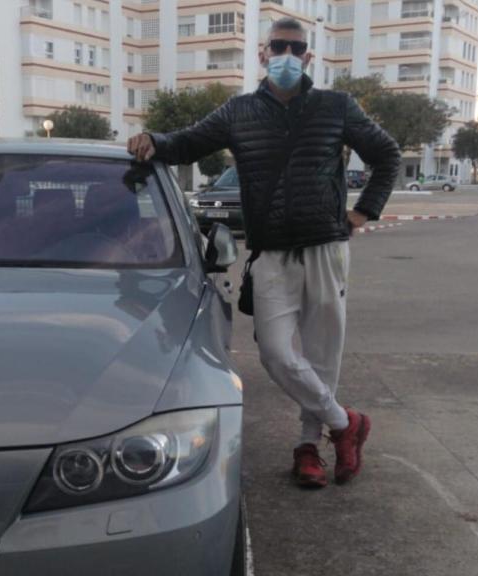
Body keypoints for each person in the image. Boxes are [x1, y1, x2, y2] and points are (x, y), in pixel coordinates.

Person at [129, 17, 400, 488]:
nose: (287, 56)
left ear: (309, 56)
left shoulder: (336, 106)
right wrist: (154, 140)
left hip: (326, 248)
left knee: (322, 356)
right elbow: (189, 143)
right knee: (275, 353)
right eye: (279, 46)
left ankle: (308, 447)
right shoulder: (238, 113)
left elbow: (387, 155)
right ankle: (345, 424)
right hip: (271, 253)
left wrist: (362, 213)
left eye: (296, 48)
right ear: (262, 53)